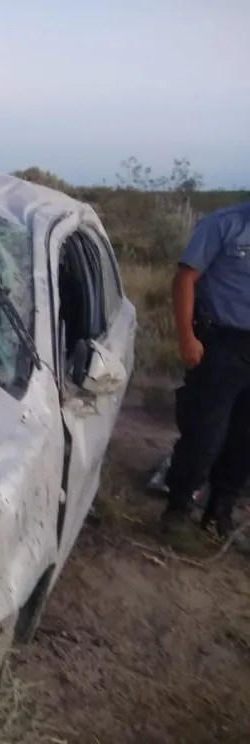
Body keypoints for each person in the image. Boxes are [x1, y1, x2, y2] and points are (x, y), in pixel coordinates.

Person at [162, 201, 250, 549]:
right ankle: (177, 511)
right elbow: (185, 278)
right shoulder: (224, 225)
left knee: (245, 440)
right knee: (205, 435)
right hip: (220, 343)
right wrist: (187, 337)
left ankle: (219, 514)